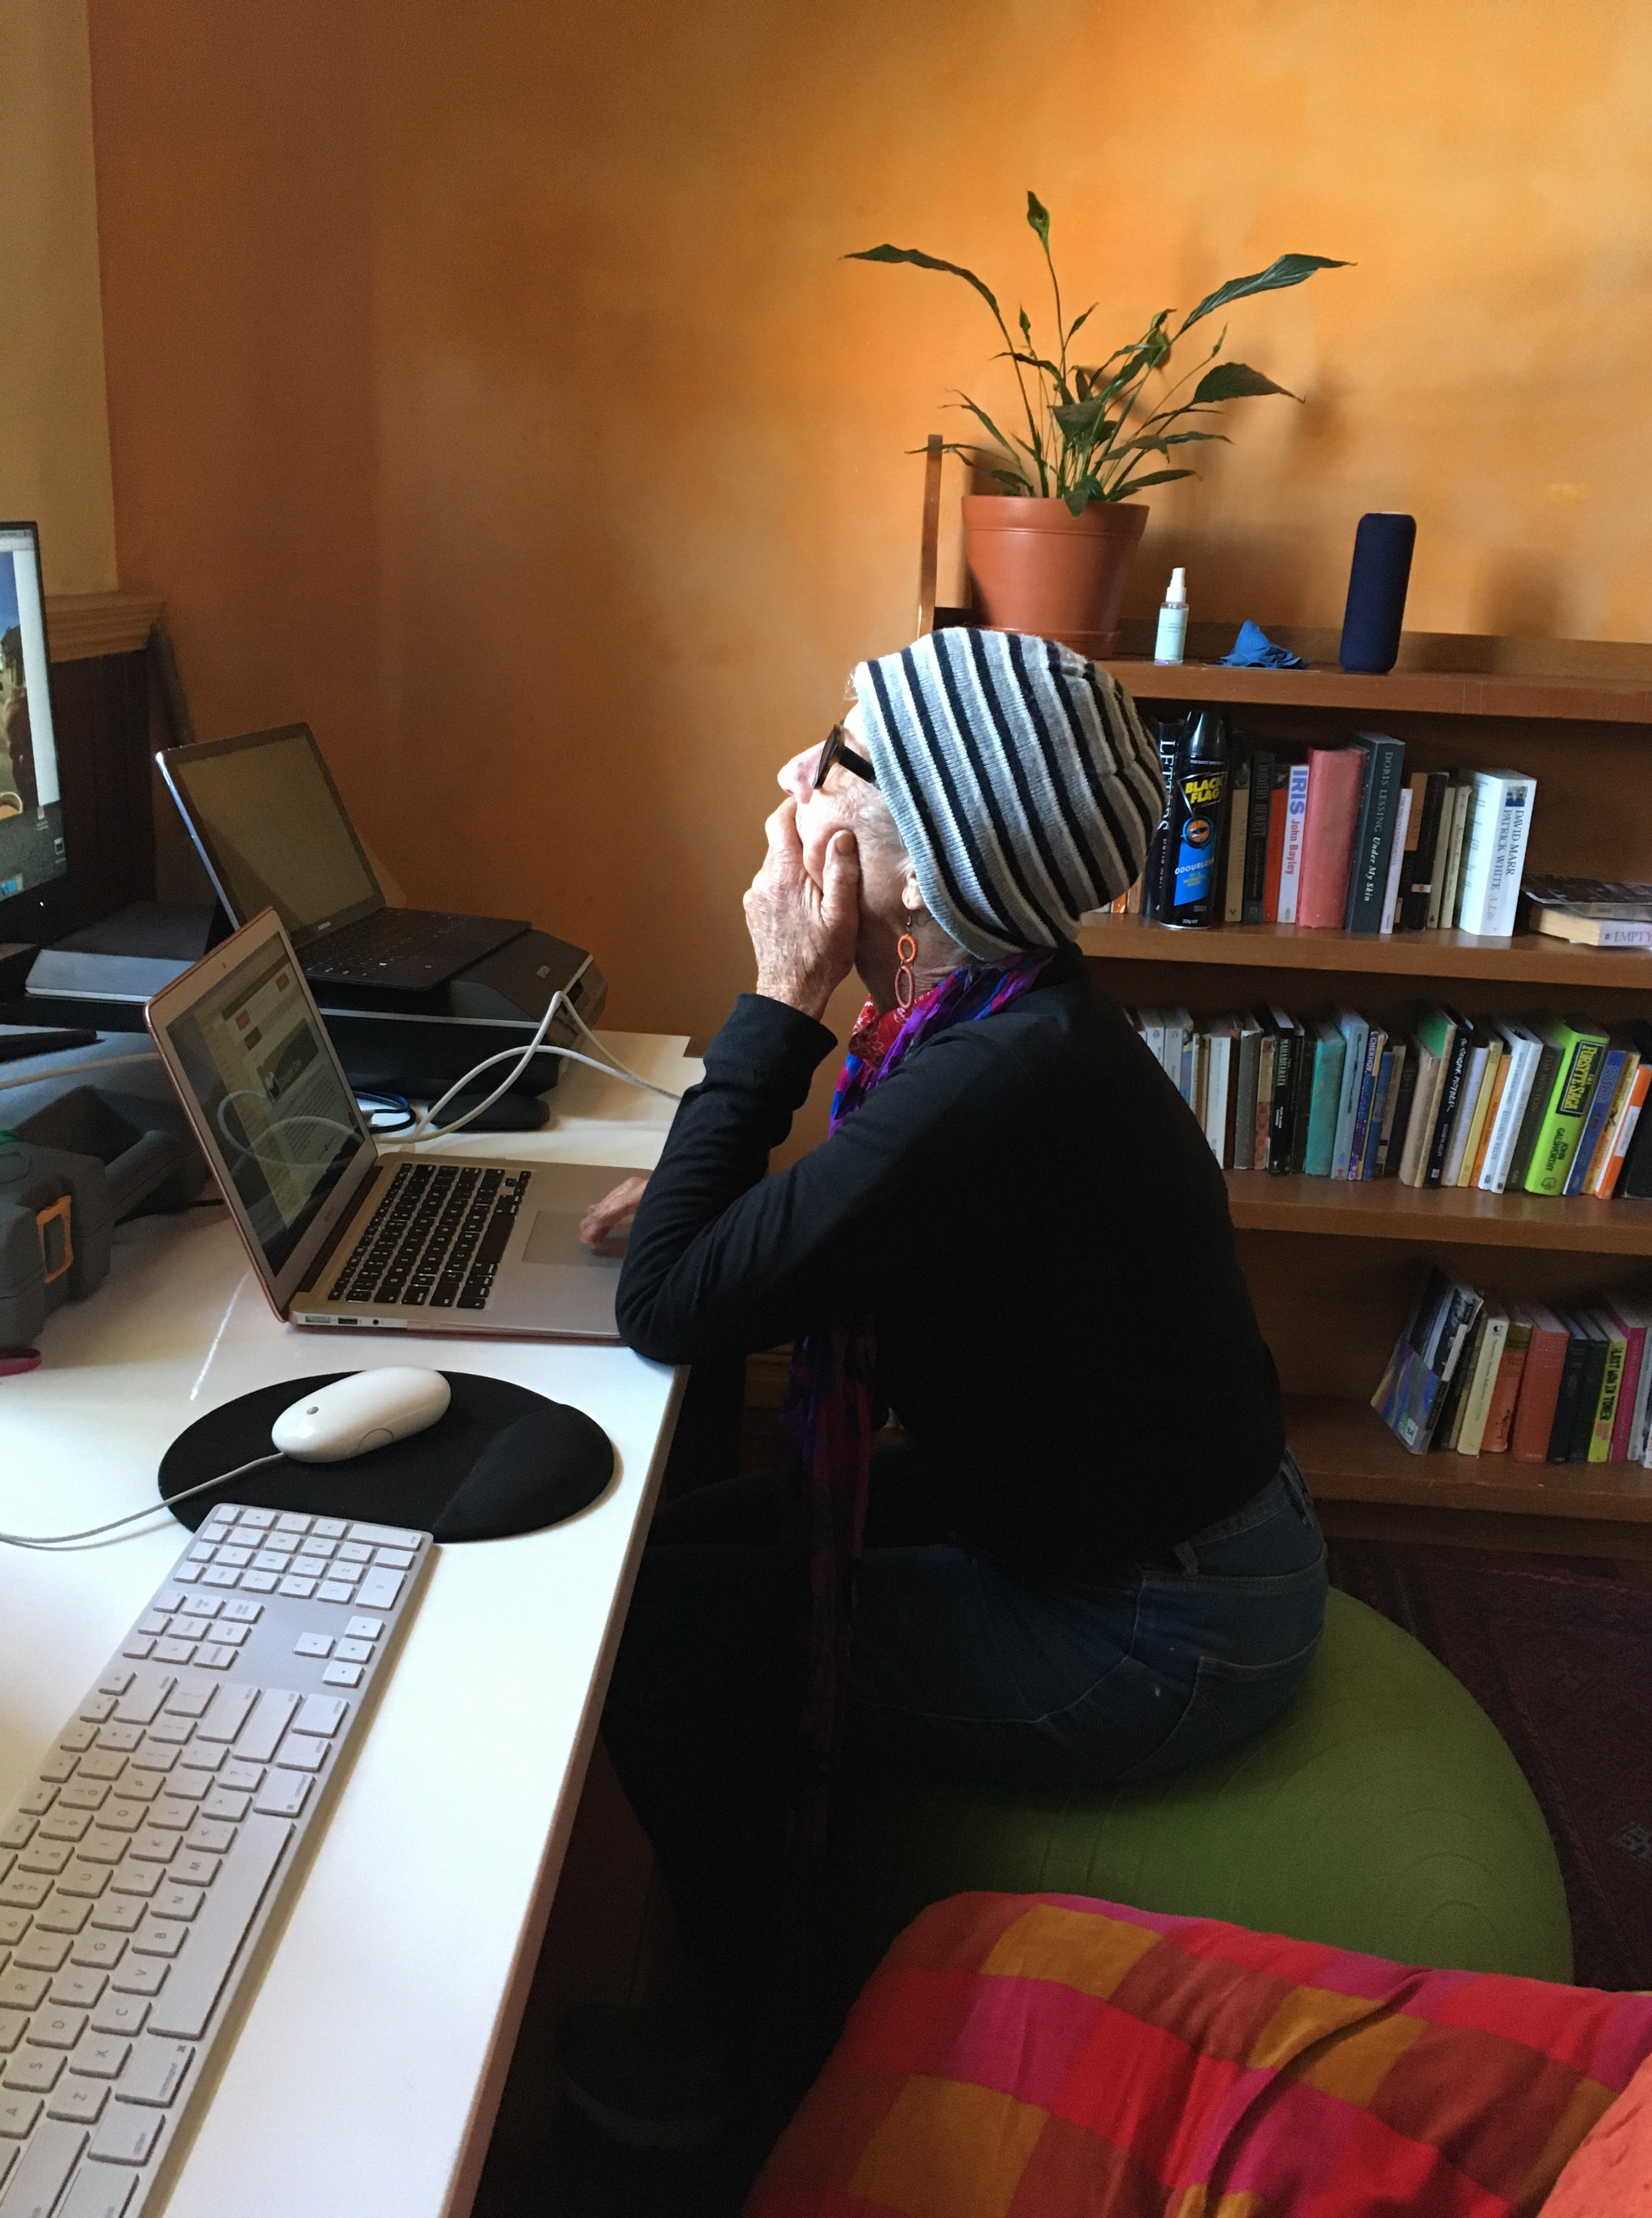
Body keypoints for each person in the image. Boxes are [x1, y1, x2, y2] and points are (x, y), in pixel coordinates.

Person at [557, 628, 1327, 2171]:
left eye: (843, 756)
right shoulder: (994, 1020)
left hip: (1164, 1621)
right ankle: (777, 1954)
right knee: (671, 1560)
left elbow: (671, 1308)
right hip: (1131, 1529)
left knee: (667, 1646)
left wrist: (780, 992)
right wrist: (732, 1209)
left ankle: (753, 2055)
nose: (798, 770)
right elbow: (820, 1227)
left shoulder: (999, 1080)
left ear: (926, 870)